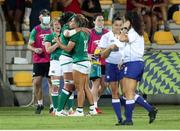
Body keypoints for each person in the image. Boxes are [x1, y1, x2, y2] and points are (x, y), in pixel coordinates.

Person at [117, 11, 158, 125]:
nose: (124, 22)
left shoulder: (133, 32)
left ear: (129, 21)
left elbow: (121, 38)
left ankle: (129, 120)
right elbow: (126, 47)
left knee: (129, 93)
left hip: (134, 63)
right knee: (127, 92)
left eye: (126, 20)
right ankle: (150, 109)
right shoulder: (135, 32)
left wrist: (124, 28)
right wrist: (122, 60)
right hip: (132, 63)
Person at [58, 14, 97, 116]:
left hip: (78, 62)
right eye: (70, 21)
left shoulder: (75, 33)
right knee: (85, 87)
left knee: (79, 88)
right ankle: (92, 109)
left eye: (72, 21)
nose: (70, 23)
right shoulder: (85, 33)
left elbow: (68, 49)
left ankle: (79, 110)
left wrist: (58, 43)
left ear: (77, 23)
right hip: (86, 62)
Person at [98, 15, 124, 124]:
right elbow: (102, 55)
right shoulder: (106, 37)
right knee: (115, 92)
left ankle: (129, 116)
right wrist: (110, 47)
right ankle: (119, 119)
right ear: (112, 25)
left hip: (124, 66)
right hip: (111, 66)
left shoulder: (126, 37)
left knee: (127, 93)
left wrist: (123, 60)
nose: (118, 27)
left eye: (120, 25)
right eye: (116, 25)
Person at [27, 9, 52, 114]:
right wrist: (35, 49)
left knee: (52, 83)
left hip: (51, 59)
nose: (46, 17)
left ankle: (53, 105)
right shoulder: (36, 29)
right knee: (37, 82)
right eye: (44, 15)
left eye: (47, 15)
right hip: (39, 59)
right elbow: (29, 45)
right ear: (40, 17)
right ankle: (40, 104)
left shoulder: (52, 30)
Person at [87, 13, 109, 114]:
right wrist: (87, 55)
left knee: (105, 84)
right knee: (95, 83)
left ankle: (94, 99)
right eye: (99, 20)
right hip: (94, 61)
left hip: (105, 61)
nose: (101, 22)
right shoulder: (90, 33)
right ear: (94, 22)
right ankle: (94, 106)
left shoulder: (107, 33)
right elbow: (84, 47)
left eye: (102, 20)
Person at [44, 18, 63, 114]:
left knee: (70, 86)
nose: (58, 25)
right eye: (55, 24)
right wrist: (57, 43)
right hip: (55, 62)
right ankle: (55, 109)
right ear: (52, 26)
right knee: (55, 86)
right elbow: (48, 50)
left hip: (66, 61)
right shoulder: (49, 37)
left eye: (59, 24)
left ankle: (69, 109)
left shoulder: (65, 36)